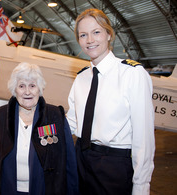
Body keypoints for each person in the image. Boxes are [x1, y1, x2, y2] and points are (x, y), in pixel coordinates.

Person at [66, 8, 155, 195]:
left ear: (108, 34)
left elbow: (143, 137)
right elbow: (71, 122)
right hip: (80, 160)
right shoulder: (81, 78)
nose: (90, 40)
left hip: (113, 166)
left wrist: (141, 186)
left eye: (96, 32)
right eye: (83, 35)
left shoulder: (132, 74)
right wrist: (36, 122)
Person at [0, 62, 79, 195]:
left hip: (45, 189)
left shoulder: (55, 115)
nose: (27, 91)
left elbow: (69, 158)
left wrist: (73, 189)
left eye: (32, 86)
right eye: (21, 86)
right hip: (8, 189)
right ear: (14, 89)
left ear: (39, 88)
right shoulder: (0, 116)